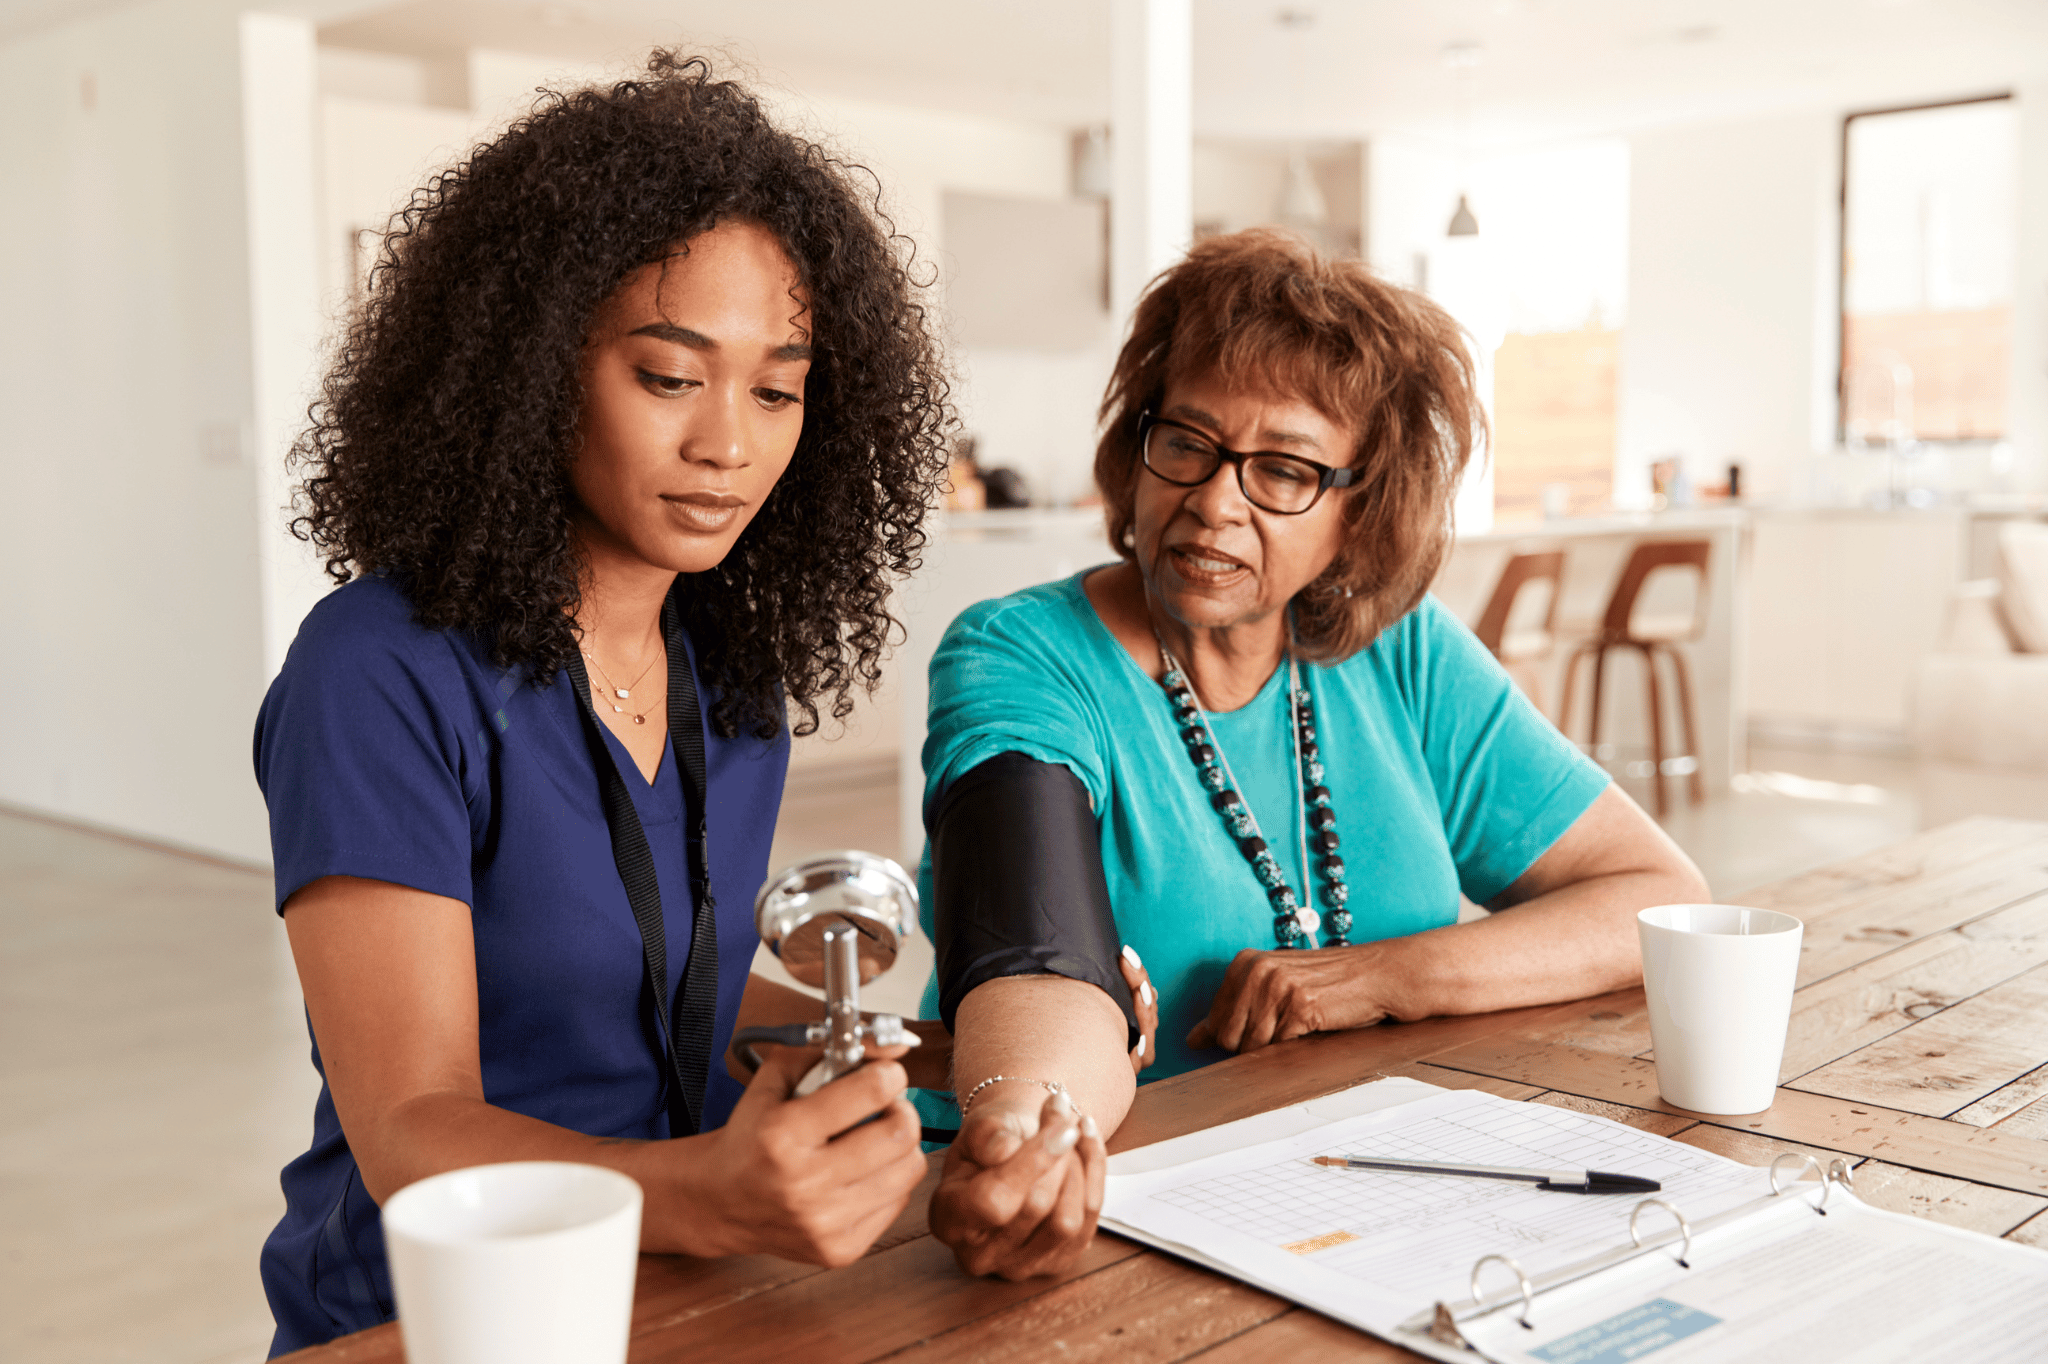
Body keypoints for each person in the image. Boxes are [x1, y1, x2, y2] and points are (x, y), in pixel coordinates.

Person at [255, 55, 954, 1356]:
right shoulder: (379, 673)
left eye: (777, 387)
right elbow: (412, 1127)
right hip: (430, 1318)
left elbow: (662, 989)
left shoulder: (731, 679)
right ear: (530, 372)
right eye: (669, 375)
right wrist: (716, 1191)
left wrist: (932, 1047)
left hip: (680, 1296)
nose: (728, 445)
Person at [917, 229, 1709, 1278]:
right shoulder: (1019, 653)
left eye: (1283, 469)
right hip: (1114, 1212)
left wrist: (1379, 976)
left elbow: (1652, 896)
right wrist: (1030, 1129)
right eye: (1187, 442)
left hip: (1367, 1193)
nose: (1212, 498)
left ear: (1360, 510)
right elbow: (1034, 950)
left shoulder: (1404, 653)